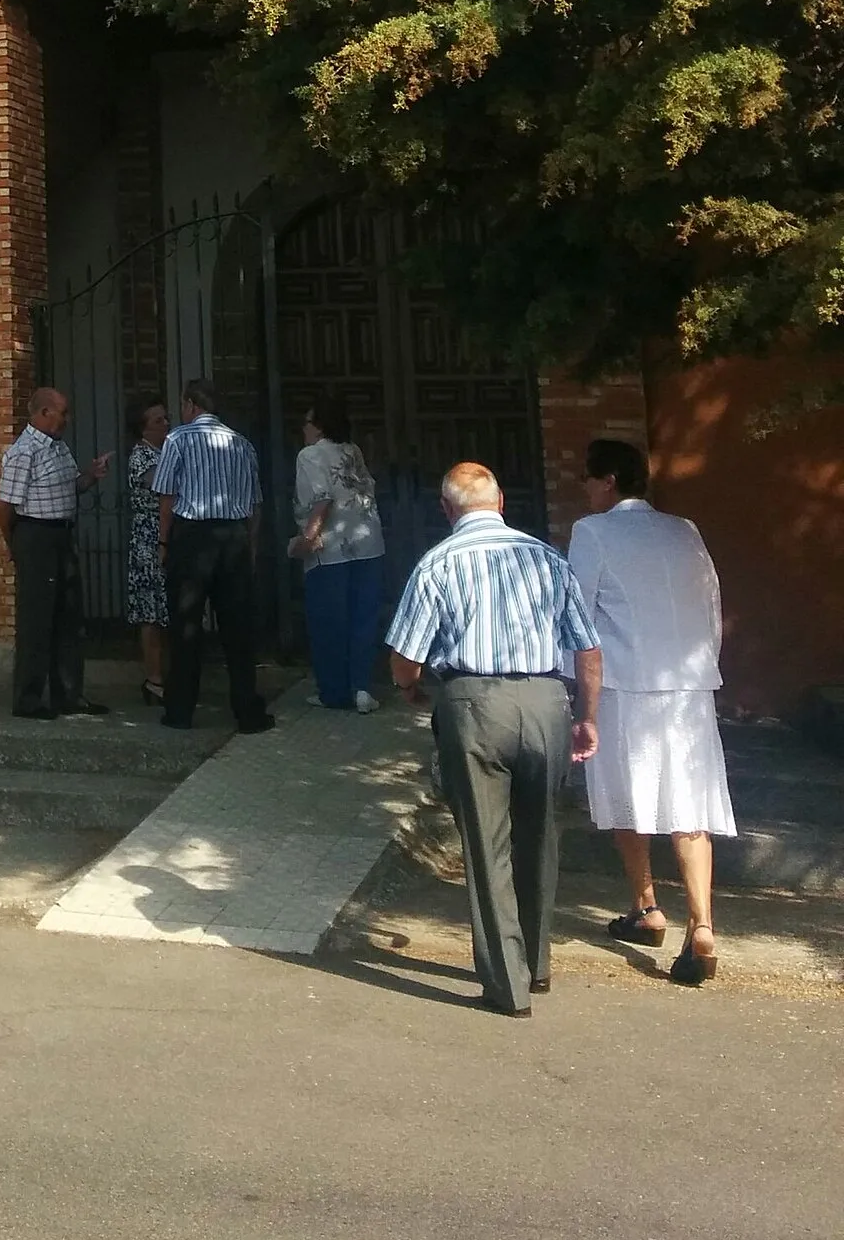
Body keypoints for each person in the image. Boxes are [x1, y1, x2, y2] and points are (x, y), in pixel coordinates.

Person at [386, 461, 602, 1017]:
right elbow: (587, 648)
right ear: (501, 501)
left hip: (474, 703)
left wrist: (409, 690)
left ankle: (508, 985)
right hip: (547, 702)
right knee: (541, 836)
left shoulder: (436, 562)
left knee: (487, 844)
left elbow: (406, 657)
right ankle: (538, 962)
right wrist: (587, 715)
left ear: (446, 509)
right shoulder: (548, 558)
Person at [568, 436, 735, 986]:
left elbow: (578, 615)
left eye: (589, 479)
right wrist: (704, 666)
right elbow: (712, 607)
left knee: (626, 797)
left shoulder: (592, 532)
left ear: (608, 480)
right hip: (688, 687)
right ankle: (703, 925)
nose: (586, 489)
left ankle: (646, 905)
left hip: (624, 685)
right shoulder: (683, 530)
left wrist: (573, 686)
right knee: (689, 807)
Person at [153, 377, 271, 734]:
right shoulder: (242, 444)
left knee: (186, 625)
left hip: (193, 537)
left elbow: (167, 498)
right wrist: (248, 547)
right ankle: (247, 711)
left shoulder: (178, 439)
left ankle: (180, 711)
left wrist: (163, 543)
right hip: (233, 536)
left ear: (190, 404)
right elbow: (255, 505)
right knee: (238, 629)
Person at [0, 385, 112, 720]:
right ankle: (28, 699)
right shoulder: (24, 451)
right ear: (44, 413)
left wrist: (92, 475)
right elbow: (5, 505)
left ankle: (69, 694)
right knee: (37, 621)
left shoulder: (58, 448)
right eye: (63, 412)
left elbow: (70, 486)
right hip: (37, 536)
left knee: (69, 618)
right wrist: (15, 545)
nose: (67, 419)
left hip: (62, 535)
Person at [289, 391, 386, 711]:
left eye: (306, 422)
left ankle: (333, 692)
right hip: (368, 541)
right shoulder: (352, 450)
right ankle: (361, 687)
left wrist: (308, 537)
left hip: (330, 547)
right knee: (363, 617)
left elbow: (321, 499)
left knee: (329, 621)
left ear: (318, 425)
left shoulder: (310, 455)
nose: (303, 428)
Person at [125, 399, 171, 705]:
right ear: (144, 428)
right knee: (151, 611)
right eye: (158, 421)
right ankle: (154, 678)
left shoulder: (163, 452)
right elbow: (164, 489)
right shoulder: (142, 456)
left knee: (165, 609)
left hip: (165, 533)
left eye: (165, 418)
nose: (166, 424)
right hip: (149, 539)